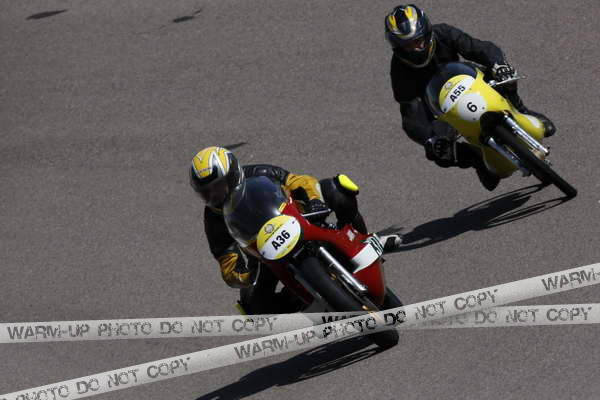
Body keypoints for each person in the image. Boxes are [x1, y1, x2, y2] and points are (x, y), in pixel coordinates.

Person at [189, 146, 402, 315]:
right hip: (263, 254)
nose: (213, 195)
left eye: (217, 186)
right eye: (206, 192)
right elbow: (225, 258)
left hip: (298, 219)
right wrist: (243, 276)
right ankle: (301, 300)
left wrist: (315, 201)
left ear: (233, 174)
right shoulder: (213, 218)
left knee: (336, 189)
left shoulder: (259, 172)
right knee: (252, 307)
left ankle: (364, 238)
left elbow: (299, 182)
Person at [385, 4, 556, 191]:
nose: (415, 48)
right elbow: (410, 114)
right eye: (407, 45)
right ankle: (477, 159)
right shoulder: (399, 70)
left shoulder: (443, 32)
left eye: (418, 40)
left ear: (427, 32)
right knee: (439, 152)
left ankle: (522, 111)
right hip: (443, 110)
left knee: (503, 76)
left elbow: (478, 47)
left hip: (470, 80)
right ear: (397, 47)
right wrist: (430, 140)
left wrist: (499, 64)